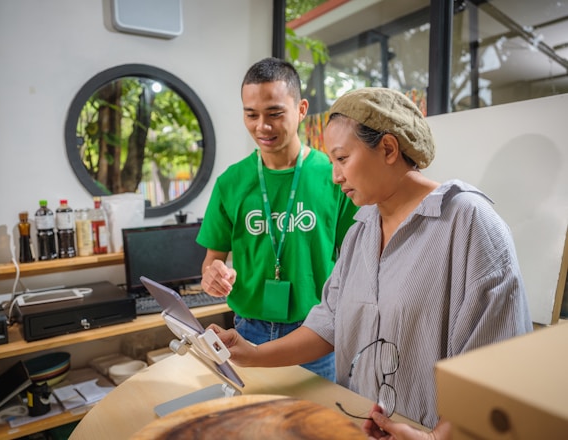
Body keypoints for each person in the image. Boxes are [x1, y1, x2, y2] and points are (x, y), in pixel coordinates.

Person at [207, 87, 533, 439]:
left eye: (342, 159)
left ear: (389, 149)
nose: (335, 176)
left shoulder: (468, 221)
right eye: (332, 162)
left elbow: (495, 364)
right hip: (360, 425)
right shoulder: (361, 231)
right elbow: (327, 324)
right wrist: (251, 353)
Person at [196, 57, 358, 382]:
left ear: (301, 109)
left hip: (315, 334)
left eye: (274, 113)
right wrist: (212, 276)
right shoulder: (231, 182)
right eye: (251, 114)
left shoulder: (335, 177)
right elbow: (211, 260)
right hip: (246, 330)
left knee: (316, 427)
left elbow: (355, 261)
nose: (262, 126)